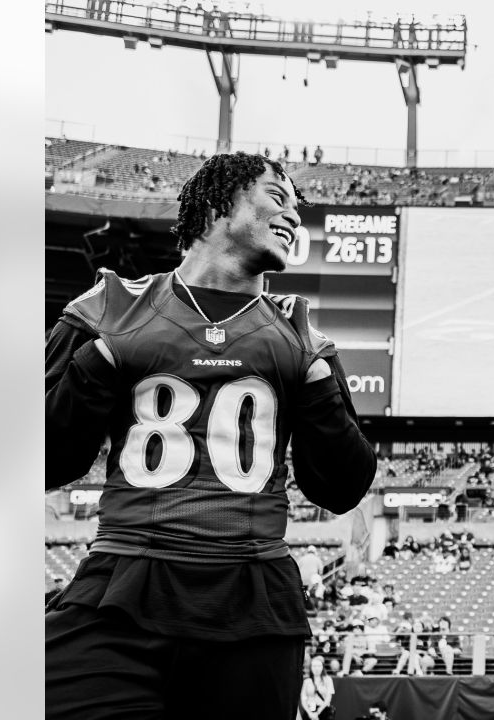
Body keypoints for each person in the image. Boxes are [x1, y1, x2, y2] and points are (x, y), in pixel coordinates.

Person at [45, 152, 379, 720]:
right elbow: (44, 457)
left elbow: (342, 487)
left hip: (251, 601)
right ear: (216, 208)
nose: (294, 217)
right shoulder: (107, 310)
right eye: (278, 198)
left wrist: (318, 385)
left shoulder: (301, 338)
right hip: (124, 581)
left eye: (297, 208)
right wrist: (97, 366)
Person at [301, 655, 335, 720]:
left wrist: (318, 712)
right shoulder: (307, 682)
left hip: (324, 710)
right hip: (310, 709)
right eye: (314, 666)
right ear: (311, 668)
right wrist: (309, 713)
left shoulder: (328, 680)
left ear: (322, 667)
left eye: (319, 666)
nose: (316, 668)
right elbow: (303, 699)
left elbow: (328, 698)